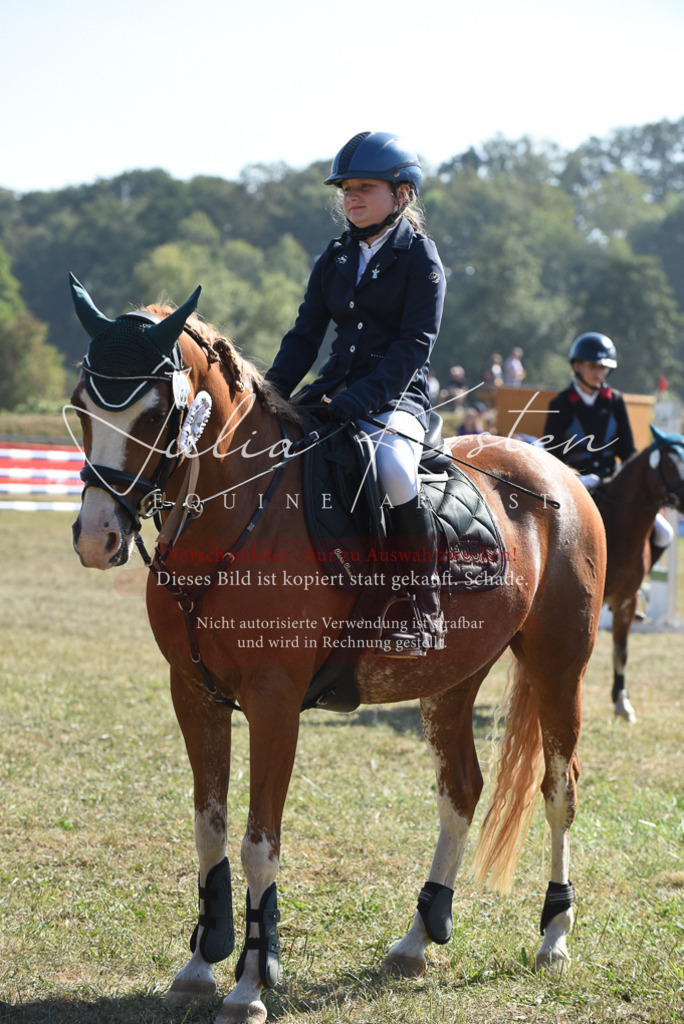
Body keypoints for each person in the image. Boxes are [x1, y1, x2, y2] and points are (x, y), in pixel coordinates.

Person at [265, 131, 446, 655]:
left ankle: (423, 607)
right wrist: (270, 394)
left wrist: (358, 400)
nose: (352, 197)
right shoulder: (336, 256)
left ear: (402, 193)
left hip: (395, 398)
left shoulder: (422, 259)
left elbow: (414, 345)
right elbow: (304, 336)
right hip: (331, 394)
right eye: (346, 188)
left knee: (391, 468)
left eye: (366, 187)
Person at [543, 332, 673, 561]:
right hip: (574, 487)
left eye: (604, 367)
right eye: (593, 366)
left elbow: (628, 452)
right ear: (577, 365)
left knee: (664, 534)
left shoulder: (616, 401)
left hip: (612, 486)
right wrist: (574, 479)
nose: (599, 373)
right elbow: (550, 455)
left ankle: (634, 583)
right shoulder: (560, 403)